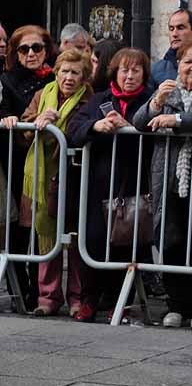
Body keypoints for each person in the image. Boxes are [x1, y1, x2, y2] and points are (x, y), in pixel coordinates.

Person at [133, 39, 192, 330]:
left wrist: (173, 119)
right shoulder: (167, 90)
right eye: (188, 61)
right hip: (170, 178)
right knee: (171, 240)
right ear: (178, 64)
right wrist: (155, 104)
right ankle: (175, 305)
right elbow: (139, 122)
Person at [2, 49, 93, 318]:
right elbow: (26, 126)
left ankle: (77, 298)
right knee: (45, 236)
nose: (68, 77)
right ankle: (48, 297)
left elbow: (85, 126)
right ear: (57, 71)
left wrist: (60, 125)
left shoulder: (87, 98)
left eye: (75, 72)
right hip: (41, 175)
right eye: (65, 71)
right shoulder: (43, 94)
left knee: (75, 239)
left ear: (83, 76)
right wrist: (36, 123)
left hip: (75, 176)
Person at [66, 48, 155, 322]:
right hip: (99, 184)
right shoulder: (100, 100)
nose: (129, 76)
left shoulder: (149, 101)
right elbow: (74, 128)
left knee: (128, 242)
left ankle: (123, 302)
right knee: (93, 239)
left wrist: (130, 127)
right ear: (114, 73)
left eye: (136, 70)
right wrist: (96, 126)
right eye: (124, 70)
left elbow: (155, 137)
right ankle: (89, 299)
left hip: (133, 183)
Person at [0, 25, 56, 310]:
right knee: (19, 230)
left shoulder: (56, 78)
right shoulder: (7, 81)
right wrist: (8, 117)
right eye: (25, 49)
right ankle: (22, 292)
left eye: (37, 47)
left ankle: (43, 293)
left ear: (47, 49)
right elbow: (4, 108)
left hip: (48, 162)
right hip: (17, 161)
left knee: (43, 229)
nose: (32, 53)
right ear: (16, 53)